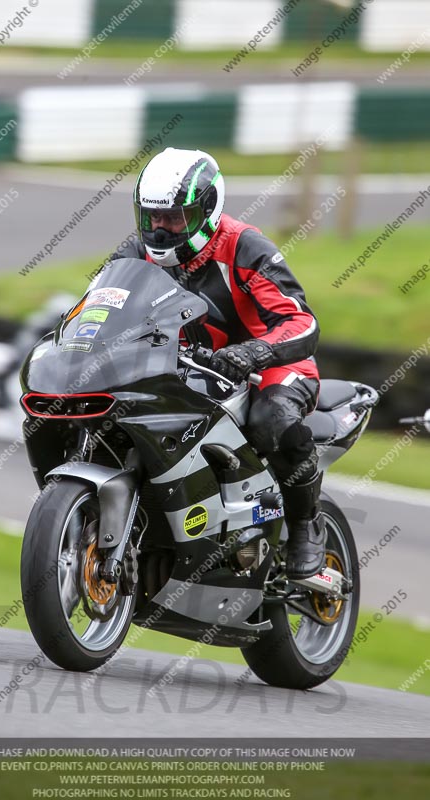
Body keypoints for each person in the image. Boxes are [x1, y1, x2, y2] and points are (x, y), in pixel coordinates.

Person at [112, 147, 325, 580]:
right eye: (152, 216)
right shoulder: (135, 251)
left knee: (273, 421)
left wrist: (252, 352)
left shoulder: (245, 247)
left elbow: (300, 323)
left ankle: (307, 524)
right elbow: (103, 308)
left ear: (206, 210)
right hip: (185, 368)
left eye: (174, 217)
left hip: (268, 367)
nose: (160, 227)